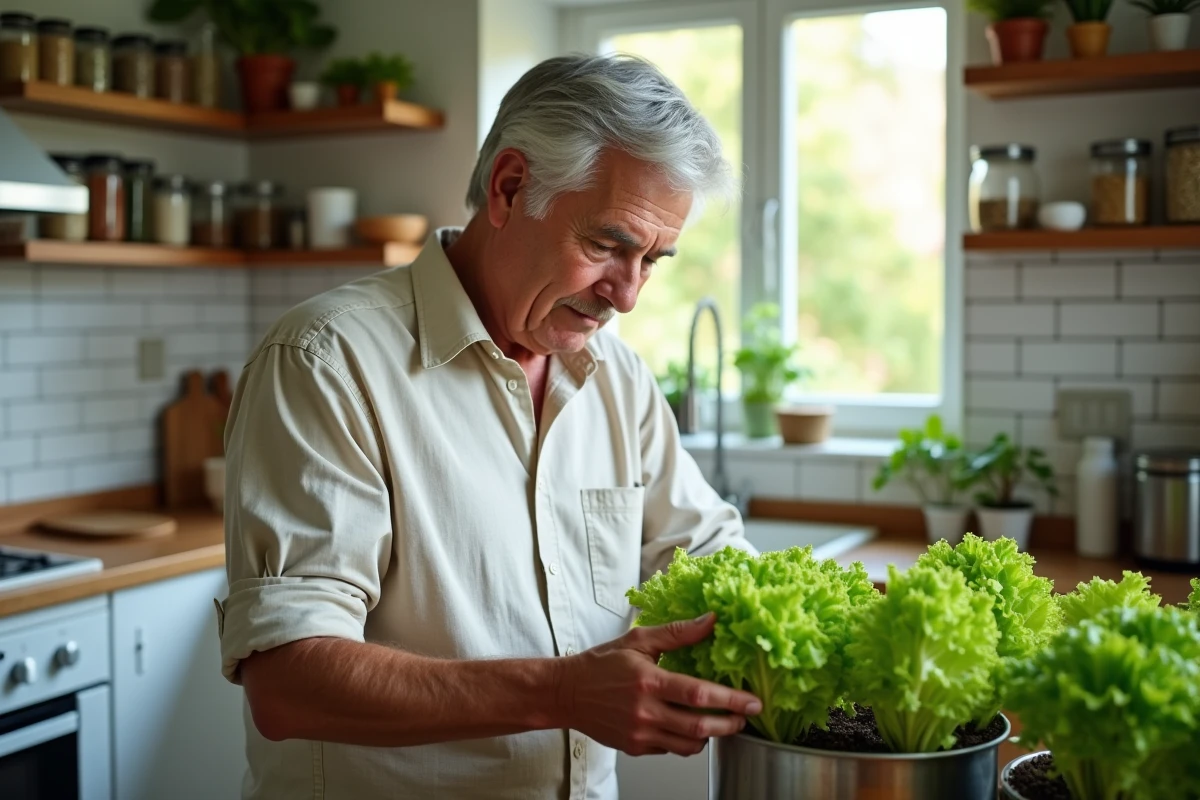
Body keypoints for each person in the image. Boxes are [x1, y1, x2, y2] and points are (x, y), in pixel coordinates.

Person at [216, 53, 759, 800]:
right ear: (510, 188)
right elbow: (288, 678)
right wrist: (562, 692)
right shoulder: (327, 360)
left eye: (653, 261)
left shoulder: (618, 377)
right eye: (606, 245)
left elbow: (703, 558)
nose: (627, 295)